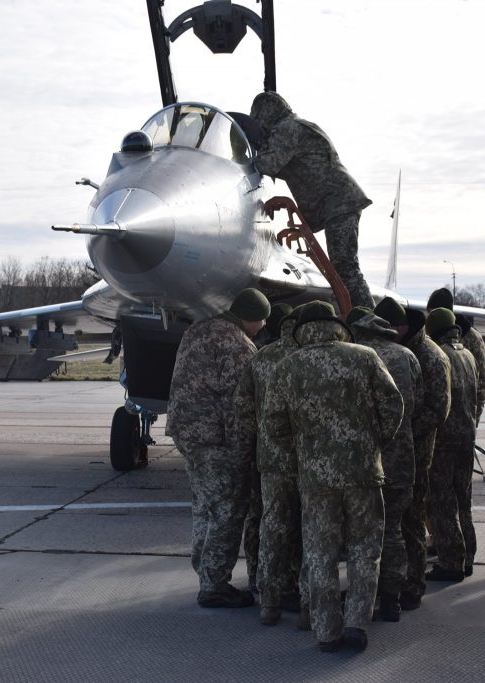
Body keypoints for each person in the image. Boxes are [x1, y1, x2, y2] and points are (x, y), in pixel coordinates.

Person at [264, 301, 403, 652]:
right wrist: (374, 442)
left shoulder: (287, 366)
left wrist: (303, 448)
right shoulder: (365, 356)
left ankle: (326, 630)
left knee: (319, 554)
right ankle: (357, 622)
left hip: (315, 478)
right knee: (364, 550)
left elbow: (274, 423)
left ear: (302, 330)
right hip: (364, 473)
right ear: (336, 325)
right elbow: (392, 405)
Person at [166, 287, 270, 607]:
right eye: (261, 322)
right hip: (216, 438)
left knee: (204, 505)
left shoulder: (198, 330)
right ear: (252, 319)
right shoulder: (238, 345)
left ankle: (205, 568)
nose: (262, 328)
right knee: (228, 509)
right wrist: (244, 455)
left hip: (187, 433)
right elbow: (239, 405)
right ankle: (214, 585)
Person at [249, 91, 374, 309]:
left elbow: (267, 164)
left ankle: (369, 320)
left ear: (266, 113)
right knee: (343, 268)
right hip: (339, 201)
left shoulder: (287, 129)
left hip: (338, 202)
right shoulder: (297, 125)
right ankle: (360, 316)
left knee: (345, 268)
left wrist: (249, 152)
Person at [346, 306, 423, 623]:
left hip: (363, 461)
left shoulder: (355, 357)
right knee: (393, 530)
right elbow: (415, 404)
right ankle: (392, 598)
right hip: (401, 457)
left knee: (362, 533)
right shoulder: (407, 356)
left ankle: (362, 594)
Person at [375, 297, 450, 609]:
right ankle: (391, 581)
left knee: (411, 519)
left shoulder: (431, 356)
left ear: (401, 327)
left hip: (416, 452)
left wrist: (401, 429)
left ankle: (413, 585)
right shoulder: (401, 351)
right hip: (394, 451)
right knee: (391, 522)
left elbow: (438, 409)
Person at [234, 303, 303, 626]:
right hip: (307, 459)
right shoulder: (310, 357)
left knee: (269, 523)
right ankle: (302, 594)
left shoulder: (261, 358)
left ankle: (266, 591)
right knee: (304, 526)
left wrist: (255, 444)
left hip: (269, 458)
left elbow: (243, 408)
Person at [423, 308, 478, 583]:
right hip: (466, 435)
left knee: (441, 502)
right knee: (463, 500)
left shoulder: (440, 355)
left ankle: (451, 561)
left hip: (445, 439)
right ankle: (467, 556)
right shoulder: (467, 353)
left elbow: (438, 401)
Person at [427, 287, 485, 424]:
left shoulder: (471, 337)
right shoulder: (434, 335)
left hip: (463, 419)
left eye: (432, 313)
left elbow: (482, 381)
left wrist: (474, 418)